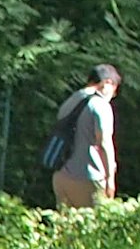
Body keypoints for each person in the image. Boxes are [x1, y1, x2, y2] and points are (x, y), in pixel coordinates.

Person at [46, 63, 119, 209]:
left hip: (61, 176)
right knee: (94, 227)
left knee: (65, 226)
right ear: (108, 83)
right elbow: (104, 143)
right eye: (114, 91)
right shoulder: (101, 105)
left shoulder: (71, 101)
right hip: (88, 179)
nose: (113, 96)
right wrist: (110, 179)